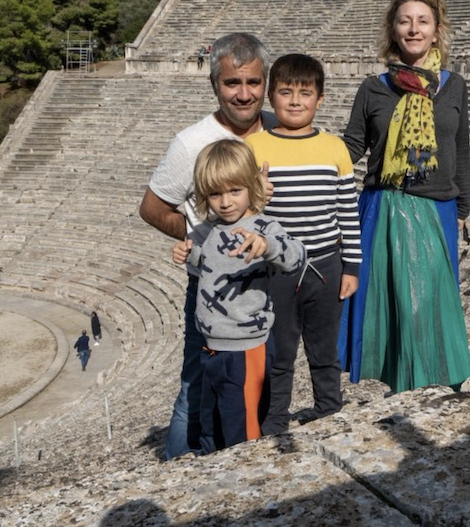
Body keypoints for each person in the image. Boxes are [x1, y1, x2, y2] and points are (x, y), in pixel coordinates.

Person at [139, 32, 275, 461]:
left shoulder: (277, 129)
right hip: (214, 293)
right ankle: (175, 475)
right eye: (232, 83)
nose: (244, 93)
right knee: (195, 386)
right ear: (214, 84)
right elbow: (151, 207)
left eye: (253, 82)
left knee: (263, 383)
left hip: (268, 285)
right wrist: (201, 240)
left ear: (265, 82)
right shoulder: (190, 143)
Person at [338, 0, 470, 394]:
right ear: (393, 31)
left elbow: (460, 146)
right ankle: (403, 392)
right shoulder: (373, 88)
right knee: (395, 309)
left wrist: (463, 206)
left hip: (439, 208)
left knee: (429, 306)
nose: (413, 29)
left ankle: (437, 389)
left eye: (422, 21)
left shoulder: (454, 86)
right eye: (404, 21)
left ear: (436, 32)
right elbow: (351, 148)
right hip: (384, 206)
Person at [245, 54, 361, 434]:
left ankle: (329, 408)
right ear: (271, 98)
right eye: (285, 92)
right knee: (279, 351)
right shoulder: (255, 147)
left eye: (305, 93)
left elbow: (347, 210)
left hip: (326, 265)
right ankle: (275, 420)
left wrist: (352, 267)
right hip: (275, 270)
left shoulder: (334, 149)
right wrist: (255, 197)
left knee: (323, 348)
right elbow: (241, 213)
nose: (295, 101)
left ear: (320, 99)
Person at [172, 140, 305, 453]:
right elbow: (212, 263)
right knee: (211, 423)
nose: (225, 202)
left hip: (245, 352)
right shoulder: (209, 229)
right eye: (215, 194)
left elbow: (297, 256)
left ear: (252, 186)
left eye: (235, 191)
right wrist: (189, 254)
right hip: (211, 348)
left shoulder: (264, 227)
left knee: (241, 432)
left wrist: (268, 246)